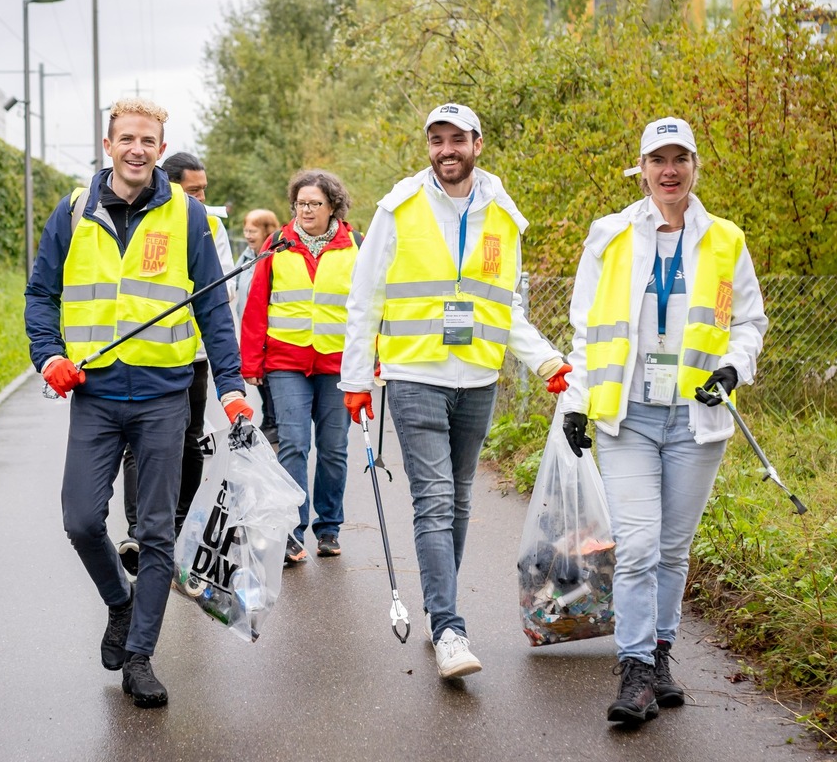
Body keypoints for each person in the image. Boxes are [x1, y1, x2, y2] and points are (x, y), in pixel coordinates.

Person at [25, 98, 252, 709]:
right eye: (127, 138)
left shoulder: (189, 215)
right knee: (80, 519)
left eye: (148, 140)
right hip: (94, 395)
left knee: (155, 534)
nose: (137, 149)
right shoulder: (73, 211)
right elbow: (41, 294)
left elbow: (213, 308)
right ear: (109, 143)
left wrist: (230, 386)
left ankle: (140, 657)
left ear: (159, 146)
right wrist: (48, 357)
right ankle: (120, 604)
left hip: (163, 397)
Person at [340, 103, 570, 679]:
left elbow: (506, 307)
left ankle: (439, 610)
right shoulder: (398, 207)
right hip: (416, 375)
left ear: (477, 144)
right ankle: (447, 627)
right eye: (436, 140)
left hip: (479, 376)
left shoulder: (504, 216)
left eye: (456, 139)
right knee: (436, 500)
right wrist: (356, 377)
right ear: (428, 147)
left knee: (460, 498)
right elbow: (364, 298)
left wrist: (546, 362)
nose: (446, 149)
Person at [560, 117, 767, 725]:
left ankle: (660, 656)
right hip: (628, 416)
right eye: (658, 159)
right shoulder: (610, 234)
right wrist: (575, 401)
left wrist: (732, 369)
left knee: (673, 549)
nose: (669, 170)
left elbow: (749, 322)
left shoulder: (725, 240)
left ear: (694, 166)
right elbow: (585, 329)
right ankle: (633, 667)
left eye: (680, 158)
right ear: (642, 169)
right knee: (640, 544)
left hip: (695, 420)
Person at [114, 152, 236, 576]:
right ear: (172, 184)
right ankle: (137, 530)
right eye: (195, 189)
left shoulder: (210, 225)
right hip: (144, 358)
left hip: (194, 354)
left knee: (188, 439)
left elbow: (223, 291)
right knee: (138, 443)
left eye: (206, 188)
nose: (203, 196)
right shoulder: (147, 219)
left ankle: (179, 522)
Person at [242, 170, 360, 564]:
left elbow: (367, 309)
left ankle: (328, 528)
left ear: (333, 207)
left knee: (333, 448)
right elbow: (257, 304)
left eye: (315, 204)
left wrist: (370, 361)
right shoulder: (279, 245)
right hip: (286, 361)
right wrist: (251, 361)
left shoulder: (355, 246)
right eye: (301, 203)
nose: (306, 210)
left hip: (336, 363)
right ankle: (291, 532)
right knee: (293, 443)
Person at [234, 208, 281, 444]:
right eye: (246, 230)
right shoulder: (246, 257)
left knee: (269, 378)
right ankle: (269, 419)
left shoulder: (272, 256)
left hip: (268, 329)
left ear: (266, 230)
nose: (248, 235)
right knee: (257, 377)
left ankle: (274, 421)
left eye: (253, 230)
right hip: (248, 329)